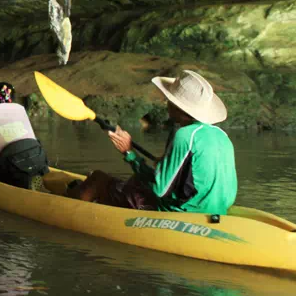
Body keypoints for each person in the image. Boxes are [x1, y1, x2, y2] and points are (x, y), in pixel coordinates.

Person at [68, 69, 238, 215]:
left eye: (170, 99)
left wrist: (129, 154)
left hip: (178, 213)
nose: (167, 102)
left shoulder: (184, 135)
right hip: (216, 211)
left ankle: (66, 205)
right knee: (135, 180)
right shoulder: (221, 135)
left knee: (98, 179)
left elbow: (160, 189)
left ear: (179, 106)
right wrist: (162, 164)